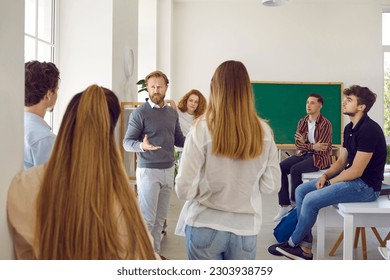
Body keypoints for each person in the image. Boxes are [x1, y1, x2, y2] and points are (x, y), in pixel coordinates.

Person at [7, 85, 156, 260]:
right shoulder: (120, 199)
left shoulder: (23, 184)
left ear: (66, 125)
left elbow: (24, 256)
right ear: (109, 132)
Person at [175, 60, 281, 260]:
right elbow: (271, 186)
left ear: (214, 88)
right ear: (247, 90)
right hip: (245, 230)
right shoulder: (264, 132)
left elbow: (183, 189)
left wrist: (207, 189)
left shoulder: (201, 128)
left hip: (204, 224)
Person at [268, 85, 387, 260]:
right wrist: (325, 175)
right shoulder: (349, 129)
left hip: (366, 187)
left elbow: (356, 170)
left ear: (361, 107)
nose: (344, 103)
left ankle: (293, 244)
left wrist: (330, 183)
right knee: (301, 190)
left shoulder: (369, 130)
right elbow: (341, 161)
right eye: (345, 99)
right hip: (353, 181)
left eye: (349, 100)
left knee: (310, 199)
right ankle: (306, 247)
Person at [123, 70, 186, 257]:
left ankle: (155, 254)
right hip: (148, 171)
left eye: (159, 86)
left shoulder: (171, 113)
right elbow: (127, 143)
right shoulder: (139, 113)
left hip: (168, 170)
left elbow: (179, 140)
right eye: (152, 87)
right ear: (148, 88)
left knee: (160, 221)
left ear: (166, 87)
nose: (156, 90)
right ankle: (142, 257)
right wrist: (142, 146)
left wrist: (197, 138)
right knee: (147, 220)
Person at [273, 93, 332, 222]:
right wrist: (311, 146)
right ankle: (284, 205)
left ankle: (294, 203)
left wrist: (306, 144)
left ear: (320, 105)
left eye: (312, 102)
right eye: (307, 102)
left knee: (295, 169)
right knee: (280, 167)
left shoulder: (325, 124)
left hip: (320, 159)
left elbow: (322, 148)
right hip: (305, 154)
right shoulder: (302, 122)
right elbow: (298, 144)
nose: (308, 105)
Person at [24, 60, 60, 169]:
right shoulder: (45, 139)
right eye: (57, 90)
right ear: (49, 94)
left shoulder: (11, 127)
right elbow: (52, 184)